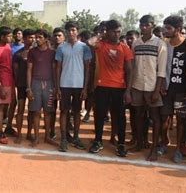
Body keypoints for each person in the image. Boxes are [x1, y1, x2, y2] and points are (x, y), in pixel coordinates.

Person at [88, 20, 133, 157]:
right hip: (102, 86)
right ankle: (98, 141)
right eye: (114, 31)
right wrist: (102, 34)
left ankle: (121, 144)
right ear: (108, 31)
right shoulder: (100, 45)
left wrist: (128, 90)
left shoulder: (125, 48)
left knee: (120, 117)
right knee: (99, 115)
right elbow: (90, 42)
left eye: (119, 31)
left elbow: (129, 70)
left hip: (119, 88)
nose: (117, 34)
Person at [130, 15, 167, 161]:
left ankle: (153, 149)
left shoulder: (160, 44)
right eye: (141, 24)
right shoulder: (136, 44)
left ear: (152, 26)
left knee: (155, 118)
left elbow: (162, 70)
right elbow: (133, 67)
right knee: (138, 115)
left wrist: (157, 90)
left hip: (152, 86)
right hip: (138, 85)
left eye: (146, 25)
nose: (143, 27)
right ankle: (140, 143)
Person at [160, 16, 186, 163]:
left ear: (178, 30)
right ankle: (164, 142)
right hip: (167, 89)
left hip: (182, 90)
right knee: (164, 117)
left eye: (169, 28)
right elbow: (161, 66)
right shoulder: (164, 44)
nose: (165, 30)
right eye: (165, 27)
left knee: (181, 120)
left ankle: (179, 148)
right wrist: (161, 83)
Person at [55, 22, 92, 152]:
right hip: (64, 84)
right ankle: (64, 139)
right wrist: (57, 87)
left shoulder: (84, 47)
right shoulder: (61, 48)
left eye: (73, 30)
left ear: (77, 31)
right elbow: (58, 68)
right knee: (64, 111)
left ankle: (76, 137)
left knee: (76, 112)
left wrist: (85, 87)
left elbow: (87, 68)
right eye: (69, 30)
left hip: (79, 85)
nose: (71, 33)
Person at [27, 29, 55, 147]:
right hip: (35, 83)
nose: (37, 40)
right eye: (36, 37)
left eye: (40, 37)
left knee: (48, 112)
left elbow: (54, 70)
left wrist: (55, 86)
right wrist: (29, 88)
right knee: (36, 112)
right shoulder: (32, 52)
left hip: (49, 84)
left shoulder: (52, 53)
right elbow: (29, 70)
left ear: (46, 39)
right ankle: (37, 137)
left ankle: (47, 136)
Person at [0, 27, 16, 145]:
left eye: (11, 36)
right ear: (2, 37)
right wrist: (0, 86)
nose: (10, 38)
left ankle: (8, 127)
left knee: (12, 104)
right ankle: (1, 132)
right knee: (0, 106)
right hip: (3, 81)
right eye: (8, 36)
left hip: (11, 80)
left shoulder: (8, 46)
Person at [12, 28, 35, 144]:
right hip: (21, 86)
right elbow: (15, 72)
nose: (33, 39)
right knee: (20, 109)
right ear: (25, 38)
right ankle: (19, 134)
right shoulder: (18, 54)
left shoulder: (37, 52)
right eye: (30, 37)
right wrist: (18, 83)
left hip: (34, 85)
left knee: (32, 110)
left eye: (34, 37)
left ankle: (29, 133)